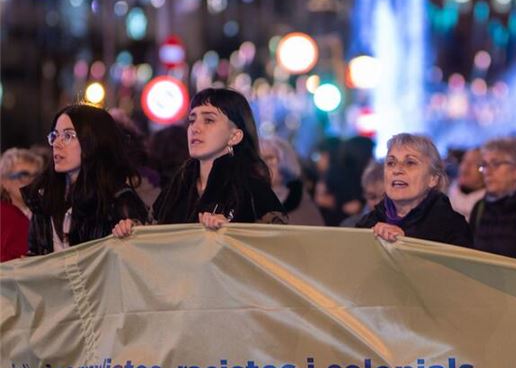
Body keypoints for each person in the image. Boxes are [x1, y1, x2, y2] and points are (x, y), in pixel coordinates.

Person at [114, 88, 285, 236]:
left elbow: (275, 248)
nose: (195, 128)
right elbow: (155, 238)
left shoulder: (252, 189)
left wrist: (234, 233)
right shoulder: (179, 185)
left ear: (235, 136)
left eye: (209, 120)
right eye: (192, 120)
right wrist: (133, 230)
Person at [23, 104, 149, 255]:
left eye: (68, 136)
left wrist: (130, 229)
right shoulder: (43, 197)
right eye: (55, 135)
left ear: (93, 141)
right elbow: (35, 255)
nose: (57, 144)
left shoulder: (119, 199)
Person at [356, 133, 471, 246]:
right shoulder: (367, 224)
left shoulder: (453, 228)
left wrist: (408, 243)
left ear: (433, 179)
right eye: (391, 163)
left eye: (410, 163)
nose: (397, 170)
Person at [261, 136, 324, 226]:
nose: (263, 165)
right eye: (258, 158)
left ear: (284, 162)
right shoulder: (249, 200)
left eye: (269, 159)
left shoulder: (302, 205)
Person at [0, 148, 45, 261]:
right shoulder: (4, 215)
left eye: (35, 175)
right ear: (4, 181)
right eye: (23, 175)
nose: (31, 181)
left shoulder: (47, 213)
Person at [339, 160, 386, 228]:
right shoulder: (349, 226)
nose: (378, 202)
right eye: (372, 197)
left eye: (384, 197)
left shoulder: (404, 226)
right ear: (364, 195)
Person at [447, 147, 485, 221]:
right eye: (464, 161)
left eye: (474, 162)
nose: (466, 166)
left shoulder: (489, 207)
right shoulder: (445, 195)